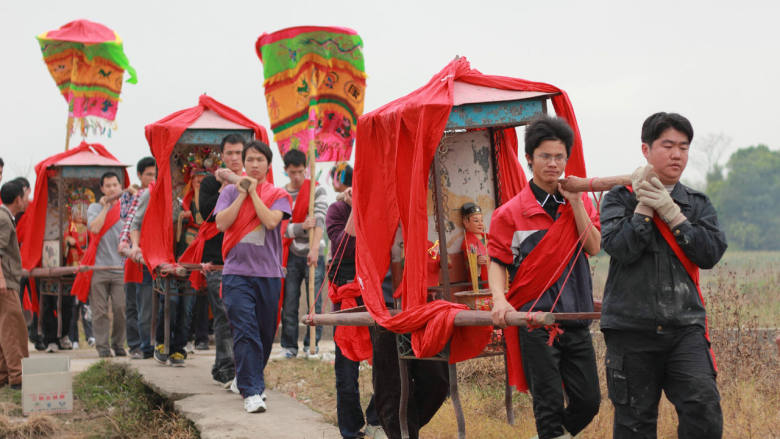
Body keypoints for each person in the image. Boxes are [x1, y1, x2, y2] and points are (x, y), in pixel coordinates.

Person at [600, 112, 727, 439]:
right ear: (645, 149)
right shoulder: (620, 198)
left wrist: (673, 213)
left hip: (684, 329)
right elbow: (619, 248)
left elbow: (710, 253)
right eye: (667, 145)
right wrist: (644, 207)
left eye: (683, 148)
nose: (677, 155)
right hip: (630, 330)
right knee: (634, 425)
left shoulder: (696, 204)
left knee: (704, 410)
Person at [489, 116, 601, 439]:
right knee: (548, 405)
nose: (553, 164)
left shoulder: (576, 204)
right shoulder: (509, 213)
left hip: (575, 317)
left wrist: (577, 204)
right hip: (535, 322)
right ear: (529, 158)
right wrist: (499, 298)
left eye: (559, 157)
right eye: (545, 156)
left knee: (589, 401)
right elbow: (497, 261)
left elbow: (593, 246)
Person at [214, 141, 291, 413]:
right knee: (245, 332)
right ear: (243, 164)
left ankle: (245, 377)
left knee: (264, 334)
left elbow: (271, 221)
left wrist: (254, 193)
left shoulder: (278, 194)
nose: (254, 164)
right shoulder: (228, 193)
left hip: (268, 274)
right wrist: (241, 195)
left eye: (260, 160)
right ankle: (252, 391)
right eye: (250, 160)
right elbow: (222, 223)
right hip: (236, 274)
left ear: (268, 165)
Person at [181, 133, 244, 384]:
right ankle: (227, 367)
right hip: (217, 259)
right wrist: (226, 185)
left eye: (239, 153)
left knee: (241, 316)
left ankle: (230, 367)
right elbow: (209, 212)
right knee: (223, 314)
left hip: (244, 258)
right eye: (229, 153)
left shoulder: (252, 180)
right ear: (222, 156)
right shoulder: (209, 183)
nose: (235, 158)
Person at [326, 182, 382, 438]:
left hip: (378, 288)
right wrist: (356, 210)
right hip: (347, 293)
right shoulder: (337, 210)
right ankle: (350, 428)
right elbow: (343, 247)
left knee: (385, 363)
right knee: (347, 369)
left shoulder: (381, 207)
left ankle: (376, 417)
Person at [130, 180, 191, 367]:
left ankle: (178, 347)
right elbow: (136, 222)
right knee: (170, 300)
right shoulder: (152, 192)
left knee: (187, 305)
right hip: (161, 255)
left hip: (187, 254)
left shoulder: (190, 192)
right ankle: (162, 342)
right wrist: (135, 246)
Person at [279, 149, 327, 359]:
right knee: (290, 302)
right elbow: (282, 229)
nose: (297, 177)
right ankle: (289, 346)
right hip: (291, 253)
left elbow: (319, 221)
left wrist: (315, 249)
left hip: (314, 253)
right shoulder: (281, 195)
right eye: (292, 172)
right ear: (286, 171)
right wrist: (300, 227)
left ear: (306, 169)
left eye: (300, 171)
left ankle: (312, 345)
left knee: (314, 302)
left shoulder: (317, 190)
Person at [80, 172, 126, 357]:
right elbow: (95, 228)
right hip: (98, 268)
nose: (112, 189)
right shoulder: (93, 208)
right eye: (108, 186)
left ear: (120, 186)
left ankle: (118, 344)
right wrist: (106, 208)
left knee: (120, 308)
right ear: (102, 189)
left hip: (120, 268)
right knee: (99, 311)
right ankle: (103, 348)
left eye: (115, 185)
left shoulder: (126, 206)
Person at [120, 156, 157, 360]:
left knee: (148, 305)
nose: (152, 178)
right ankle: (135, 345)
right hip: (134, 255)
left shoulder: (156, 193)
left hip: (150, 253)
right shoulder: (133, 196)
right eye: (148, 174)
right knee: (134, 305)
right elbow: (128, 219)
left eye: (155, 175)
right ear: (140, 175)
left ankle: (148, 345)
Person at [0, 180, 30, 390]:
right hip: (5, 283)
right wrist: (2, 280)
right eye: (26, 195)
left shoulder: (5, 217)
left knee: (5, 329)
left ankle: (4, 376)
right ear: (18, 199)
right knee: (14, 329)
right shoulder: (3, 218)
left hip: (7, 281)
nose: (28, 199)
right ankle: (18, 377)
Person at [460, 202, 488, 288]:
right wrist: (476, 260)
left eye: (481, 220)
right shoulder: (467, 241)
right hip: (480, 282)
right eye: (476, 221)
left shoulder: (489, 238)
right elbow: (469, 260)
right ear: (466, 222)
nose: (480, 223)